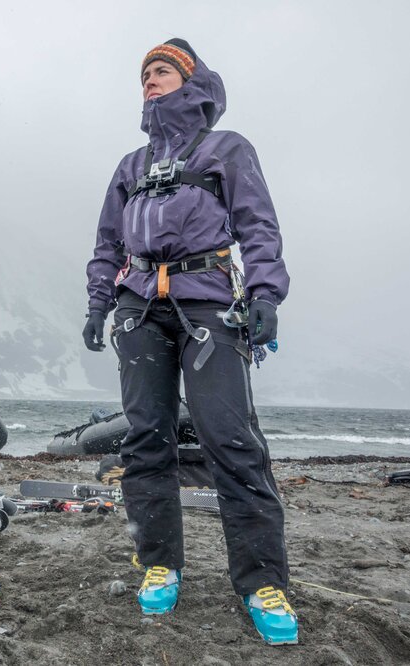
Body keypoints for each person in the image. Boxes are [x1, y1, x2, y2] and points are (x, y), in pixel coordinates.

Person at [82, 38, 296, 645]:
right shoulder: (130, 166)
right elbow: (107, 243)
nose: (149, 81)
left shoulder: (228, 149)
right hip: (138, 309)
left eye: (161, 71)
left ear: (192, 81)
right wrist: (99, 305)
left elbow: (258, 224)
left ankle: (261, 582)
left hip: (208, 305)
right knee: (146, 437)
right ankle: (159, 564)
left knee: (230, 438)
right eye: (144, 74)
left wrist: (265, 295)